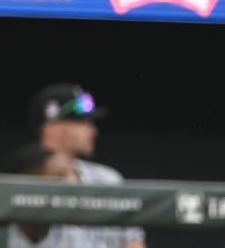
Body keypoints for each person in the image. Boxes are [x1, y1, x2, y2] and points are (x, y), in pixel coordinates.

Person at [28, 83, 146, 248]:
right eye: (82, 122)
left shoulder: (108, 180)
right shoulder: (25, 180)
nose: (93, 130)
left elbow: (133, 243)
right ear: (52, 128)